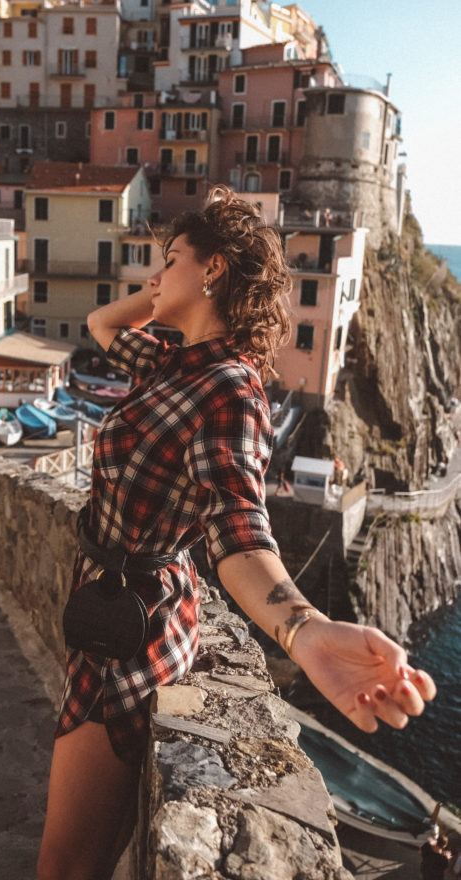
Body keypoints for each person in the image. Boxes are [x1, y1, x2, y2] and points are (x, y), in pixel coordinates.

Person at [37, 189, 437, 880]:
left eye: (170, 261)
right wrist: (161, 292)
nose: (153, 278)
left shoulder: (227, 387)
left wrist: (301, 631)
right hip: (113, 610)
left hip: (131, 635)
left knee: (66, 866)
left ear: (214, 268)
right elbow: (102, 322)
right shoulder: (174, 361)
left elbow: (239, 531)